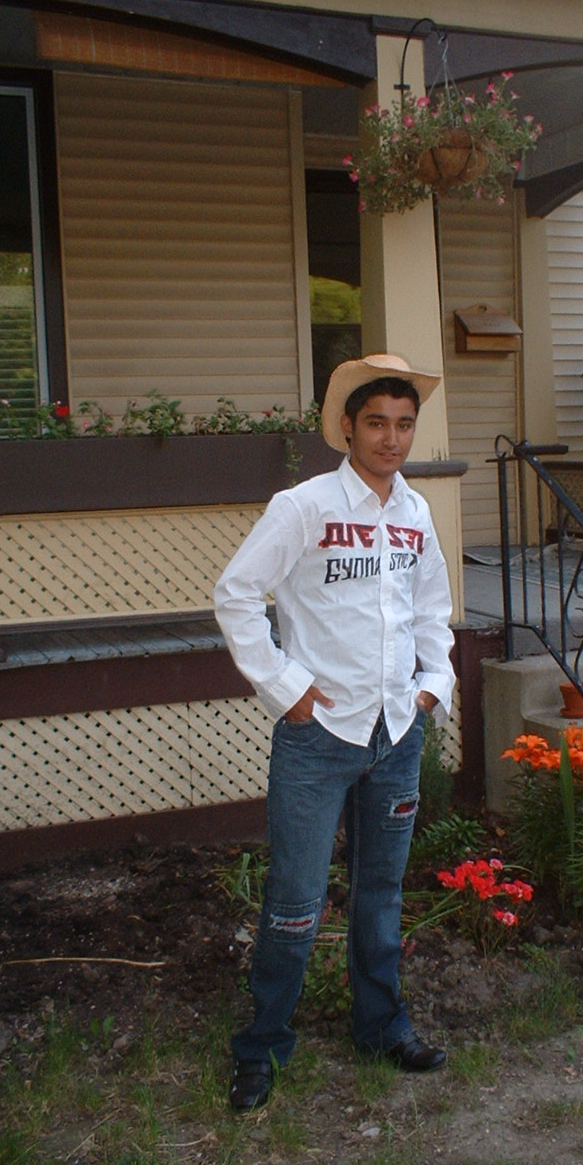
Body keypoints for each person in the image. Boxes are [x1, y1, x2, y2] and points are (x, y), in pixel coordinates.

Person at [214, 352, 456, 1112]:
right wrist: (284, 687)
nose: (392, 439)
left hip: (397, 734)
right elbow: (236, 594)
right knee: (295, 900)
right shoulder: (304, 507)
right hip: (319, 739)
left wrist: (433, 684)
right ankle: (262, 1045)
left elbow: (431, 610)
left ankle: (381, 1026)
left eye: (404, 424)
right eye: (377, 423)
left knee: (380, 894)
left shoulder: (415, 513)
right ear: (348, 428)